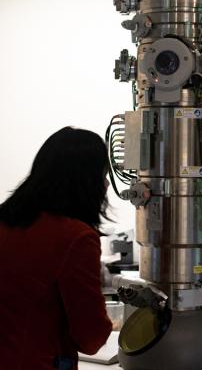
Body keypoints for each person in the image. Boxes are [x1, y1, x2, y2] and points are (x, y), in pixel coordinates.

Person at [0, 127, 113, 370]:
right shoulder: (76, 238)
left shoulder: (5, 221)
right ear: (85, 182)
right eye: (102, 175)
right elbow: (90, 338)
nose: (105, 185)